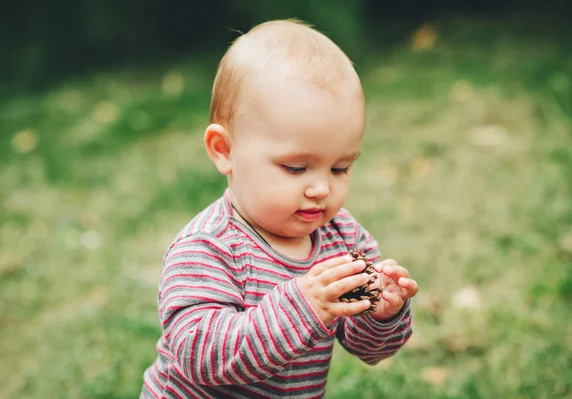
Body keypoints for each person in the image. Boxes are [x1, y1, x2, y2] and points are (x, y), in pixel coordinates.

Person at [140, 19, 418, 399]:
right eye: (295, 168)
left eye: (340, 168)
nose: (321, 187)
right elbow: (200, 357)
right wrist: (303, 306)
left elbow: (369, 350)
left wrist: (382, 315)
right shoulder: (207, 248)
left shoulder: (344, 237)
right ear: (225, 151)